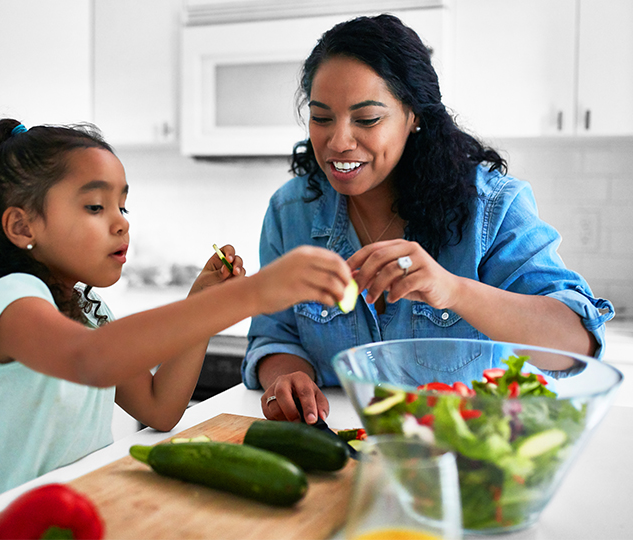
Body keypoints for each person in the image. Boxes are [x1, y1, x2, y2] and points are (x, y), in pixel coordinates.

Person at [0, 118, 353, 526]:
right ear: (22, 225)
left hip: (64, 513)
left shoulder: (91, 315)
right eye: (95, 206)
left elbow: (160, 408)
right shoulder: (13, 299)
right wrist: (253, 293)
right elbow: (89, 360)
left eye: (123, 207)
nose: (121, 224)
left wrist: (203, 303)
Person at [242, 14, 614, 425]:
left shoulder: (490, 207)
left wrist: (453, 290)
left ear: (414, 116)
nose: (338, 142)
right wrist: (288, 375)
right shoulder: (290, 212)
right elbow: (275, 335)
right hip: (337, 451)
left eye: (367, 119)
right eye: (321, 117)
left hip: (463, 456)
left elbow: (576, 344)